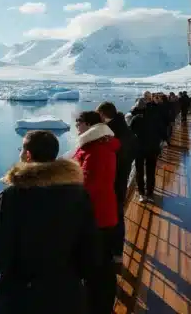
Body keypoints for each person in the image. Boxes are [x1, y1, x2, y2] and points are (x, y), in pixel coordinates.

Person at [0, 130, 99, 314]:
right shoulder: (78, 194)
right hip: (66, 296)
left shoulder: (13, 196)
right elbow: (90, 249)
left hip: (21, 299)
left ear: (28, 155)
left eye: (21, 150)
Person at [73, 111, 120, 314]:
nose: (76, 126)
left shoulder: (96, 151)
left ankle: (100, 307)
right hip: (103, 214)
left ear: (89, 125)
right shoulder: (100, 145)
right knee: (101, 264)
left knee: (98, 268)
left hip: (97, 217)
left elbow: (88, 187)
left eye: (78, 123)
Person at [97, 101, 137, 265]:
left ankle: (110, 253)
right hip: (121, 178)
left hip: (112, 181)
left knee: (112, 217)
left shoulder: (111, 133)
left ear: (103, 115)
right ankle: (117, 252)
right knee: (118, 215)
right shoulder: (123, 128)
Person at [129, 98, 161, 202]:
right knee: (150, 171)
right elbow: (159, 130)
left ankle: (142, 194)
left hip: (140, 149)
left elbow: (130, 133)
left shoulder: (134, 118)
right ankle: (149, 193)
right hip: (152, 148)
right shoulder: (154, 115)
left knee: (140, 171)